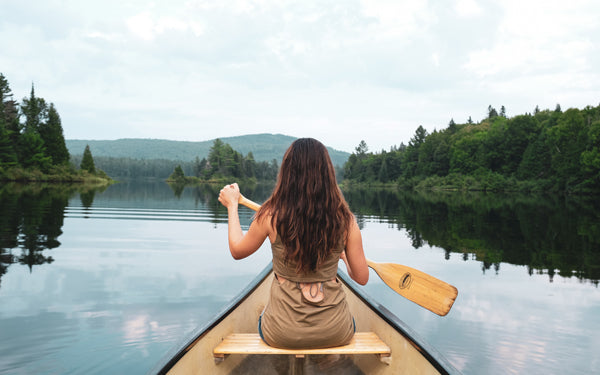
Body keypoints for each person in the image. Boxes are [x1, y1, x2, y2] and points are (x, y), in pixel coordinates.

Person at [218, 138, 368, 349]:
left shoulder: (269, 216)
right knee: (348, 321)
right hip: (336, 332)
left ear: (287, 173)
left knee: (262, 316)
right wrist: (344, 259)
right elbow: (361, 278)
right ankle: (329, 360)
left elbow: (237, 250)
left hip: (281, 334)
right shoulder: (347, 221)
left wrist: (233, 205)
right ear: (328, 174)